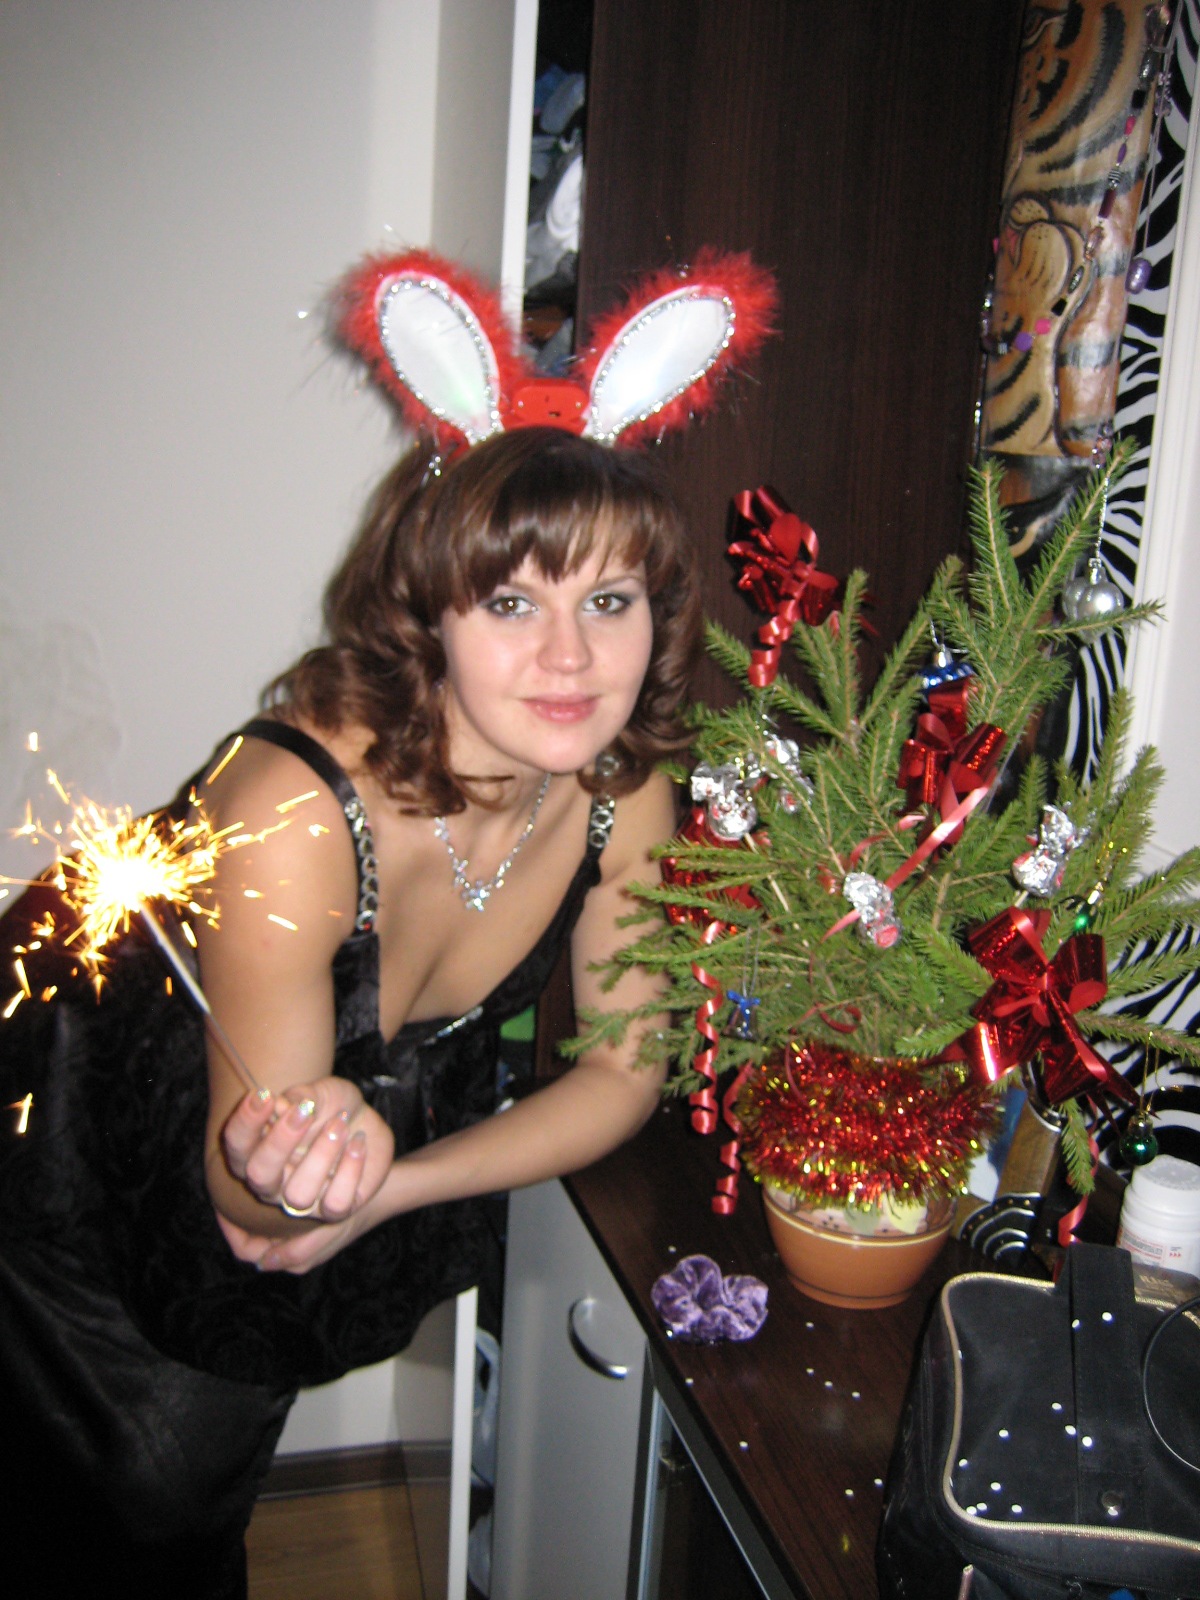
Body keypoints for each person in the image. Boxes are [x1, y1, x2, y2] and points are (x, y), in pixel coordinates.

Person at [0, 248, 771, 1597]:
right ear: (427, 613)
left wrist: (390, 1180)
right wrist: (311, 1166)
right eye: (512, 603)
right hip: (73, 1132)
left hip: (290, 1162)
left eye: (609, 602)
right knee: (126, 1492)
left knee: (195, 1490)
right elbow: (248, 1194)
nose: (571, 659)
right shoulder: (294, 813)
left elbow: (624, 1071)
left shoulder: (621, 790)